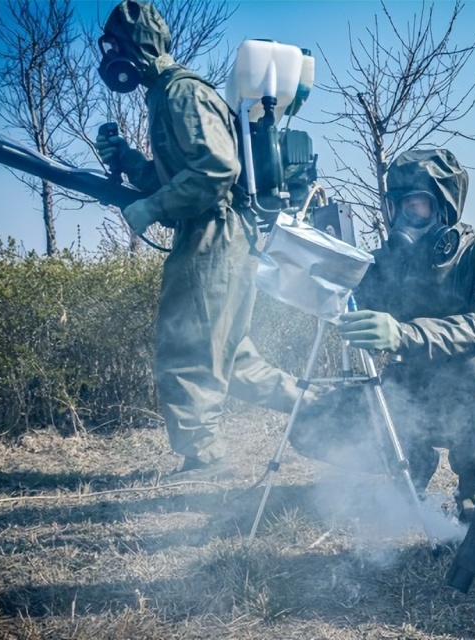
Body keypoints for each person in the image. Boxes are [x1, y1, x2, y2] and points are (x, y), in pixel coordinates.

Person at [94, 0, 308, 479]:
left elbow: (216, 170)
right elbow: (176, 176)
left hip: (214, 236)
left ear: (140, 48)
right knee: (233, 359)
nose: (113, 61)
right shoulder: (164, 95)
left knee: (186, 349)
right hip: (213, 235)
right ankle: (323, 406)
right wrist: (128, 160)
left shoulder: (182, 92)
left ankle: (205, 460)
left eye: (119, 48)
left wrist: (150, 209)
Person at [288, 148, 475, 520]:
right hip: (405, 392)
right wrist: (306, 247)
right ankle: (411, 462)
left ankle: (471, 498)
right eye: (397, 206)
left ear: (444, 206)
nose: (403, 217)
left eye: (417, 204)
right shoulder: (384, 264)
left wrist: (405, 334)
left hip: (471, 400)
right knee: (309, 424)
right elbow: (332, 298)